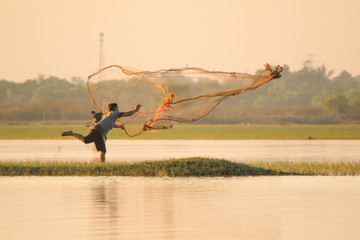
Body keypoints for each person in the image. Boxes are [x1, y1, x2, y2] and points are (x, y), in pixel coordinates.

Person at [61, 103, 141, 163]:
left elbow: (113, 125)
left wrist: (120, 126)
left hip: (100, 133)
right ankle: (72, 133)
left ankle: (102, 166)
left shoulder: (111, 116)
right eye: (117, 107)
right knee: (85, 140)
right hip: (98, 131)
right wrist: (135, 109)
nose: (118, 109)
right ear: (115, 108)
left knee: (103, 151)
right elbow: (128, 114)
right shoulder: (114, 113)